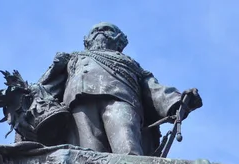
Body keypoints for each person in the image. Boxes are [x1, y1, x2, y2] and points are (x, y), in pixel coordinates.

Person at [37, 22, 202, 156]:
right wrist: (52, 70)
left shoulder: (130, 64)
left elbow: (152, 87)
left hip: (121, 100)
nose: (100, 31)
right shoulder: (72, 59)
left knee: (127, 145)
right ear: (87, 40)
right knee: (88, 153)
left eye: (107, 29)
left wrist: (176, 100)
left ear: (119, 40)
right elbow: (45, 89)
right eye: (95, 30)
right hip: (79, 104)